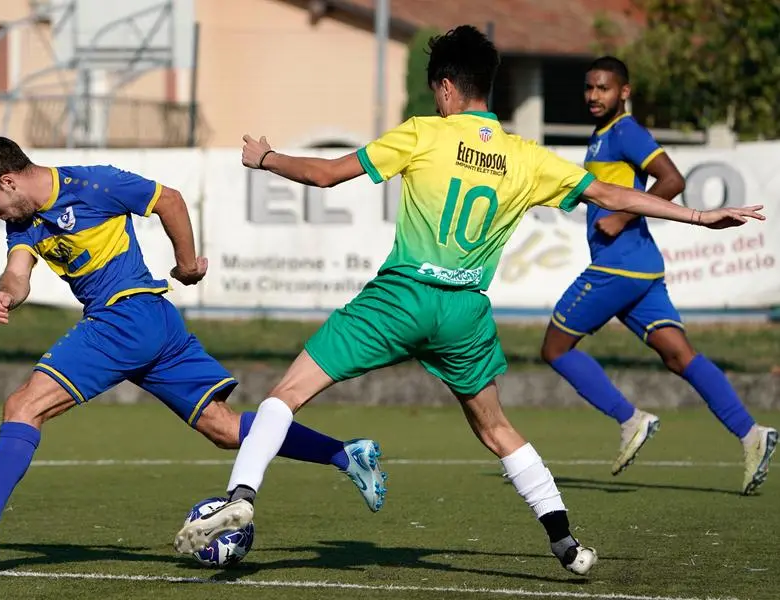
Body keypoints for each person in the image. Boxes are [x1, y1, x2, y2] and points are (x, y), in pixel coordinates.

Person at [174, 26, 764, 576]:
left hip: (400, 298)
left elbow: (329, 174)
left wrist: (266, 158)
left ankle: (241, 497)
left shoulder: (424, 133)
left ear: (449, 88)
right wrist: (696, 215)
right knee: (496, 428)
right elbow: (611, 192)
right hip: (464, 312)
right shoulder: (525, 156)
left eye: (438, 91)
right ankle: (566, 543)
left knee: (287, 394)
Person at [0, 135, 387, 567]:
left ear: (8, 181)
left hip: (125, 315)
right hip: (152, 323)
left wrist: (188, 264)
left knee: (23, 405)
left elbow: (168, 200)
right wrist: (6, 293)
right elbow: (18, 272)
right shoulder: (24, 221)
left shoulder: (94, 185)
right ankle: (346, 455)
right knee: (223, 428)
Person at [539, 56, 777, 494]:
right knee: (679, 356)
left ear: (624, 93)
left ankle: (630, 419)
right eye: (589, 88)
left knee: (555, 348)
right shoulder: (601, 136)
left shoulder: (625, 131)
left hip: (617, 267)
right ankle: (752, 434)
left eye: (604, 88)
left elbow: (672, 178)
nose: (594, 96)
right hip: (642, 268)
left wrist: (622, 218)